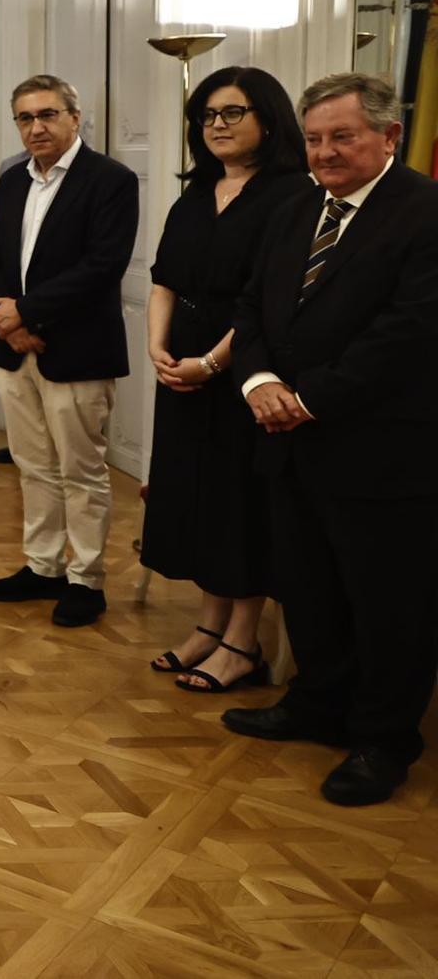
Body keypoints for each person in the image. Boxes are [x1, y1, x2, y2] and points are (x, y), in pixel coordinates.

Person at [223, 72, 438, 808]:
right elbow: (250, 308)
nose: (325, 153)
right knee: (308, 587)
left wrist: (308, 398)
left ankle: (383, 741)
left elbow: (408, 335)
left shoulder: (425, 214)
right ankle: (318, 703)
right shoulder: (293, 210)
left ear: (388, 136)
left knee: (388, 604)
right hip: (288, 442)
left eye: (342, 137)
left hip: (383, 451)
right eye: (314, 139)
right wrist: (258, 384)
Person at [140, 68, 310, 693]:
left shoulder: (292, 194)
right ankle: (208, 628)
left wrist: (212, 363)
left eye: (232, 113)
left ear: (268, 118)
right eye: (207, 115)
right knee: (197, 498)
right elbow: (164, 278)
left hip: (244, 370)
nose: (216, 125)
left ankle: (244, 642)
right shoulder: (197, 192)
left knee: (240, 503)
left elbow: (269, 299)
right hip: (180, 365)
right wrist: (158, 347)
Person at [0, 74, 138, 628]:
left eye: (47, 115)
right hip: (16, 348)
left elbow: (102, 265)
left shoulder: (110, 180)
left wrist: (27, 312)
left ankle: (86, 579)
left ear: (74, 116)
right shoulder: (14, 179)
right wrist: (7, 318)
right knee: (33, 465)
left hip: (77, 349)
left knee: (82, 469)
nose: (36, 127)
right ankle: (42, 566)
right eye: (25, 118)